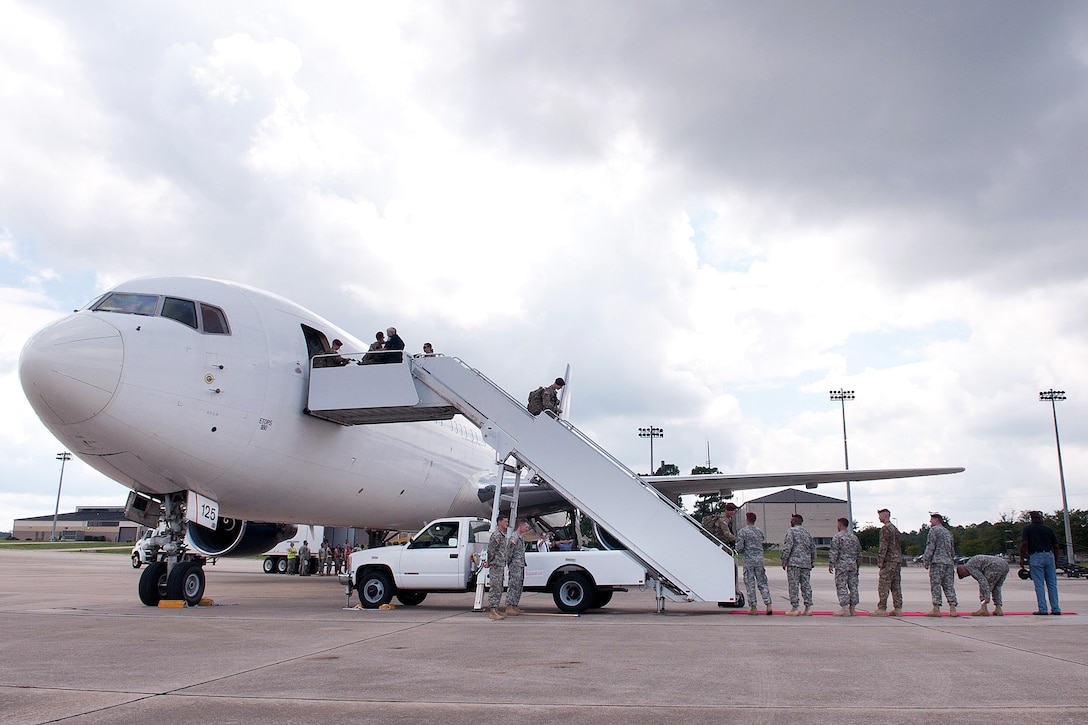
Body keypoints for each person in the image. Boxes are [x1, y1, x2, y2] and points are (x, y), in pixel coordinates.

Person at [1020, 510, 1062, 615]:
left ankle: (1043, 609)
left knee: (1039, 584)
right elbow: (1056, 546)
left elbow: (1025, 543)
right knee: (1052, 584)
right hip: (1049, 555)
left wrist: (1022, 558)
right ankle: (1056, 608)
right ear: (1040, 518)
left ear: (1031, 519)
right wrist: (1056, 560)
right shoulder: (1048, 529)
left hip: (1036, 555)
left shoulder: (1027, 529)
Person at [734, 511, 773, 615]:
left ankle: (753, 607)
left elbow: (740, 547)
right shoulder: (759, 531)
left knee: (750, 584)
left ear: (747, 519)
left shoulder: (743, 531)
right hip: (759, 560)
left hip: (748, 561)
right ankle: (768, 604)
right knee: (762, 583)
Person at [922, 513, 958, 617]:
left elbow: (931, 546)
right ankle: (952, 607)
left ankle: (936, 608)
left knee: (936, 585)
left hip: (937, 562)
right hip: (948, 562)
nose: (930, 522)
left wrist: (926, 560)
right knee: (949, 585)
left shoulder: (934, 530)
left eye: (931, 520)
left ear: (936, 519)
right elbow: (952, 550)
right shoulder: (948, 532)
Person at [870, 508, 903, 617]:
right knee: (896, 585)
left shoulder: (885, 529)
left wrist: (880, 560)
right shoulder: (895, 529)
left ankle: (882, 608)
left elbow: (884, 546)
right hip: (897, 560)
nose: (879, 518)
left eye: (880, 516)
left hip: (889, 561)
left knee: (884, 584)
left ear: (885, 516)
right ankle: (898, 608)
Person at [781, 513, 815, 615]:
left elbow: (788, 546)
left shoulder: (791, 531)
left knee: (793, 585)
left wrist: (784, 560)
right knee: (806, 585)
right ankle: (808, 608)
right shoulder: (807, 533)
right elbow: (813, 548)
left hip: (794, 563)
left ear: (795, 521)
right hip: (806, 563)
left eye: (792, 520)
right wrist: (812, 560)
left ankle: (795, 607)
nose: (790, 522)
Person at [828, 517, 862, 616]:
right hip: (853, 565)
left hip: (842, 565)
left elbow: (834, 551)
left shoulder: (837, 537)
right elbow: (859, 553)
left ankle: (844, 608)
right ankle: (853, 608)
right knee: (853, 586)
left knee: (841, 585)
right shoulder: (854, 537)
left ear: (840, 525)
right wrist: (857, 565)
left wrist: (831, 564)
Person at [504, 519, 531, 616]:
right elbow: (509, 552)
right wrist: (510, 563)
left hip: (520, 564)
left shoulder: (521, 537)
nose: (527, 529)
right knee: (513, 585)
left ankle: (514, 605)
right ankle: (509, 606)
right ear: (521, 526)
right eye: (526, 527)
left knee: (519, 586)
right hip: (515, 565)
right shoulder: (514, 537)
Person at [486, 516, 511, 620]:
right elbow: (491, 550)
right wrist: (490, 561)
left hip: (500, 565)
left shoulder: (502, 535)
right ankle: (492, 611)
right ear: (499, 522)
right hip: (495, 565)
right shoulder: (496, 535)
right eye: (505, 521)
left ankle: (495, 609)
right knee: (495, 587)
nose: (507, 523)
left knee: (499, 587)